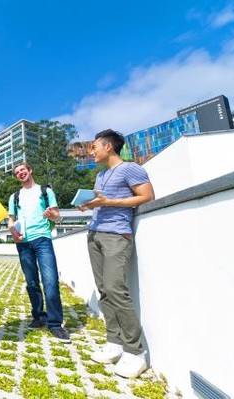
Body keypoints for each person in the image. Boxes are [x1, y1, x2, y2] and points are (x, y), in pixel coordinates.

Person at [79, 129, 155, 378]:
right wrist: (88, 204)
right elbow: (102, 201)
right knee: (104, 291)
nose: (92, 151)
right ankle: (114, 342)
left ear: (108, 146)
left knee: (115, 289)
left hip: (116, 235)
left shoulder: (130, 169)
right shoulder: (101, 176)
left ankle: (135, 351)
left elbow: (147, 196)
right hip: (95, 234)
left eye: (94, 147)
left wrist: (109, 202)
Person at [8, 163, 71, 343]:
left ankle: (55, 324)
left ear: (30, 171)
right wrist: (13, 232)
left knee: (50, 280)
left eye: (23, 170)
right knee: (32, 282)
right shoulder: (15, 196)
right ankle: (38, 316)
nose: (20, 173)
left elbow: (57, 216)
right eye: (17, 172)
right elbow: (11, 220)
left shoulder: (45, 191)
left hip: (43, 239)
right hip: (23, 242)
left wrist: (52, 215)